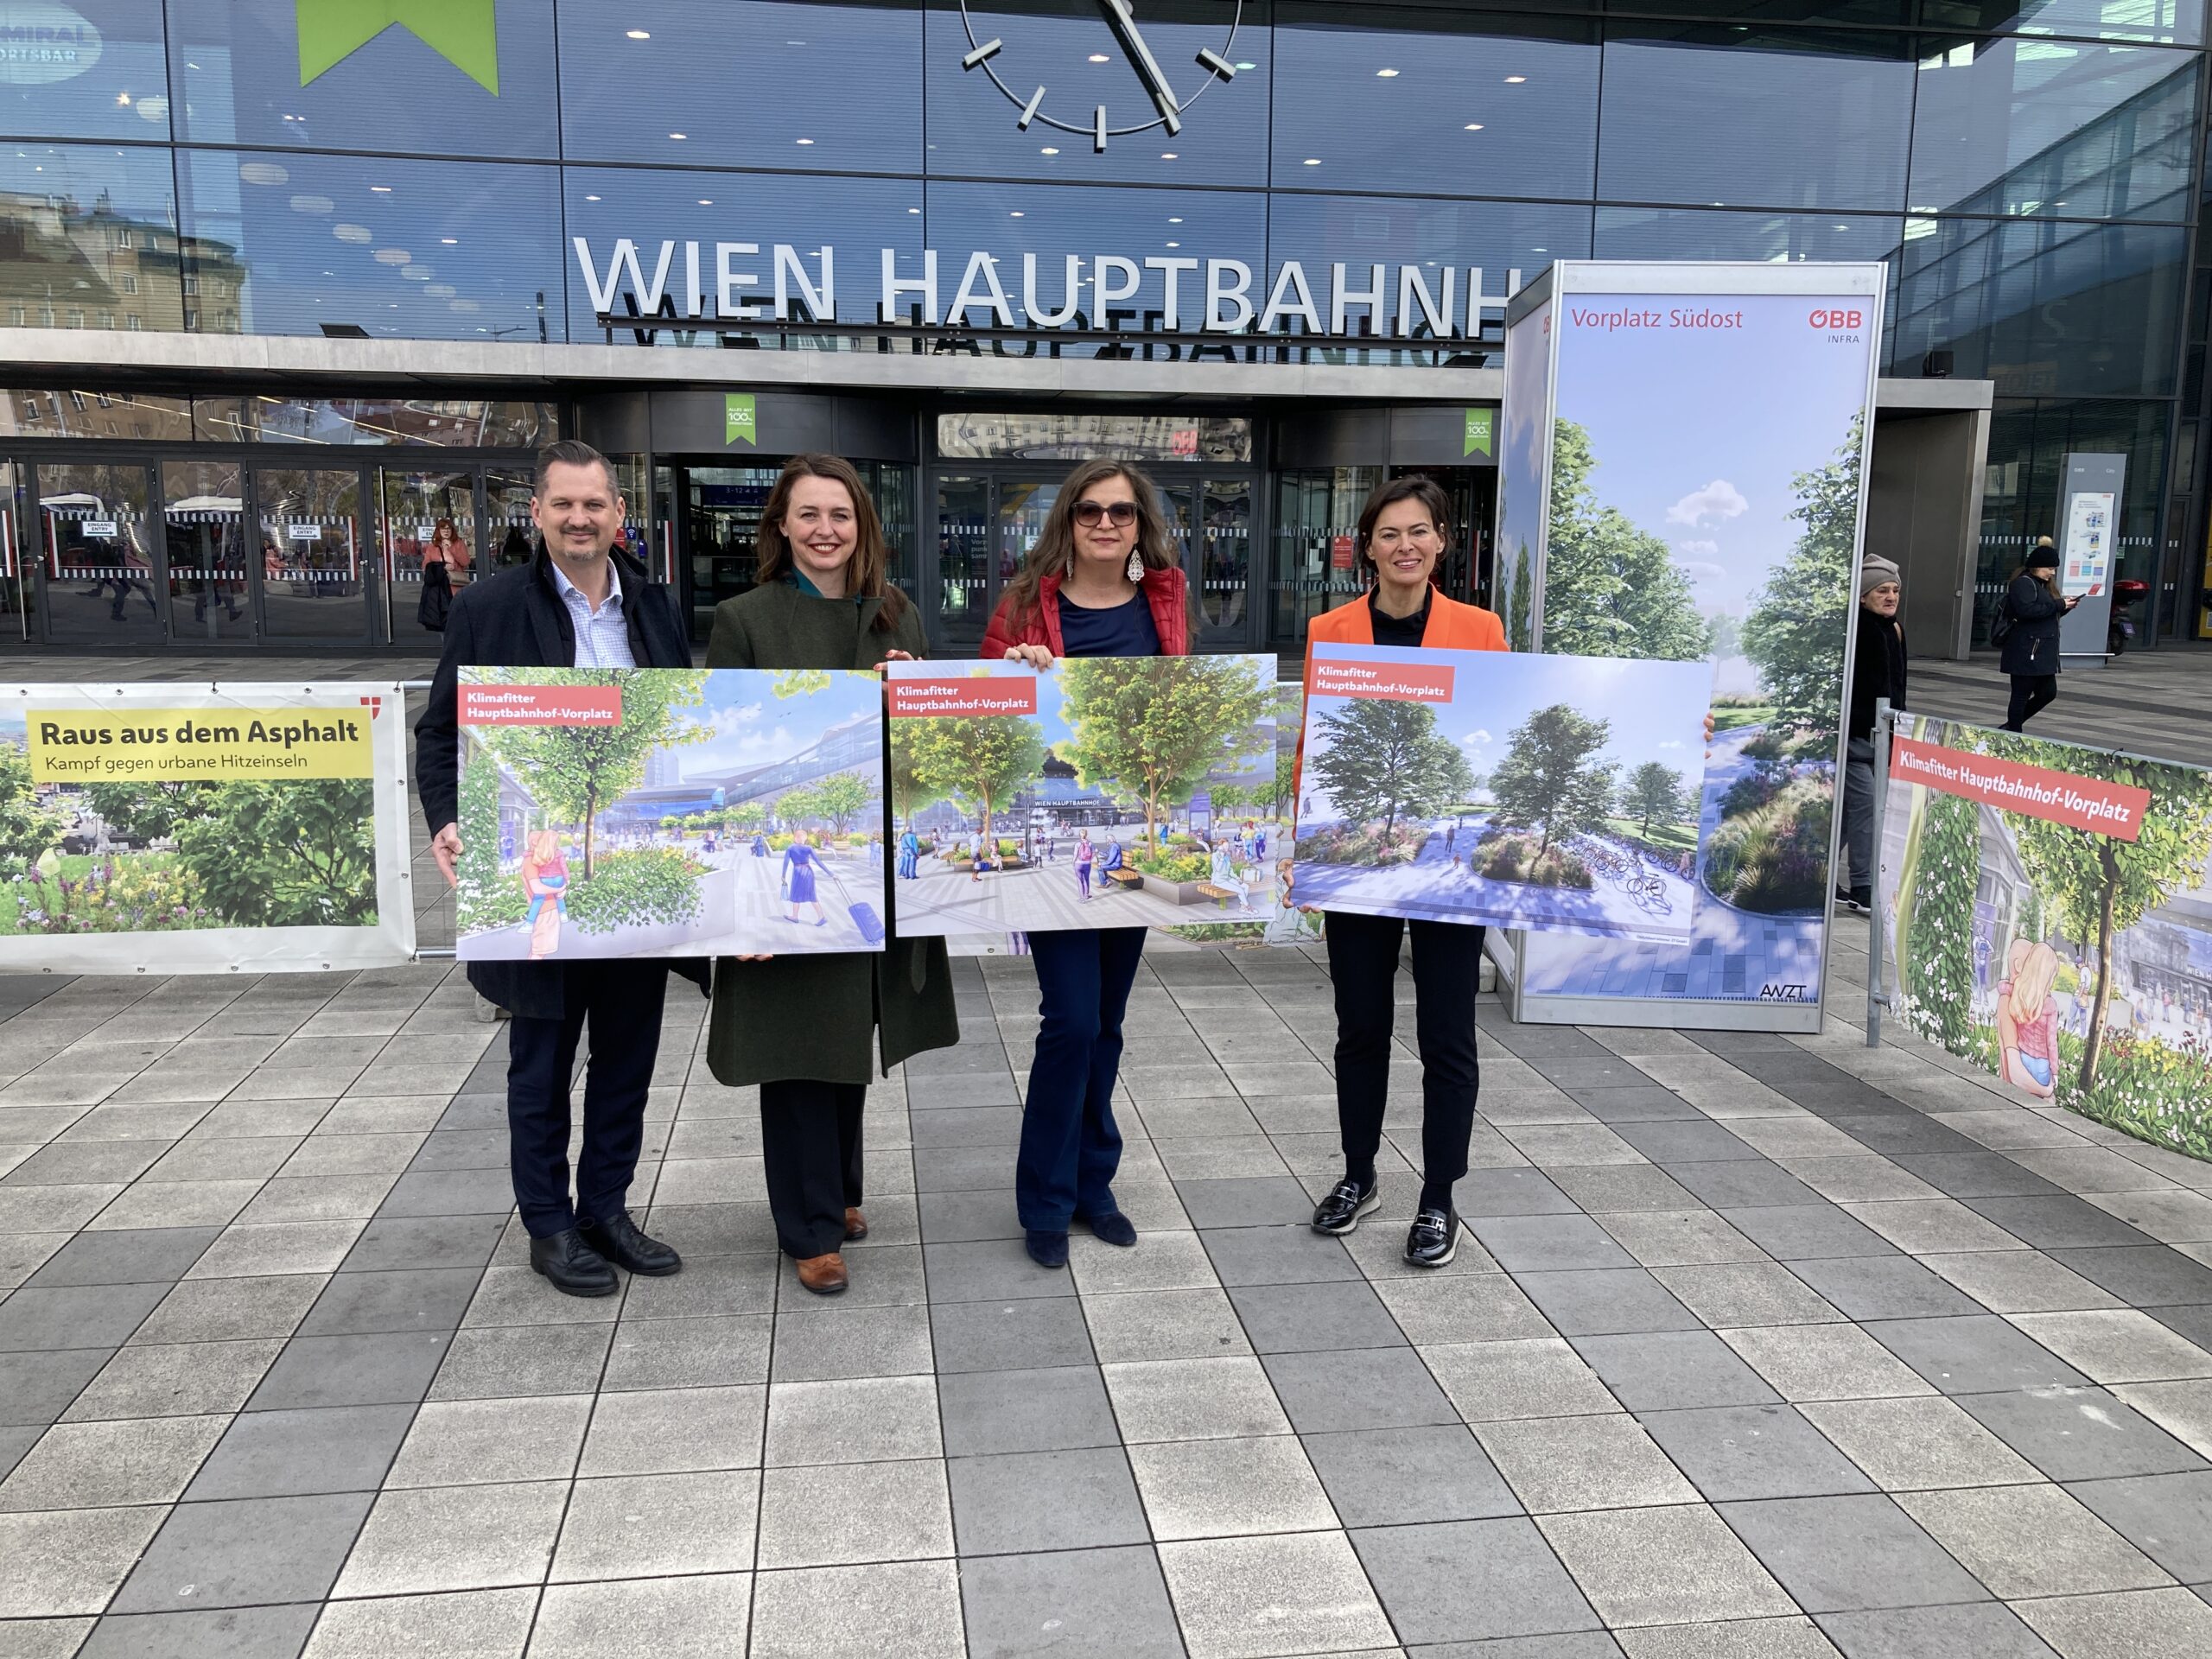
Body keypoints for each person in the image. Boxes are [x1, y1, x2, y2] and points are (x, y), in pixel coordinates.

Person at [416, 441, 696, 1298]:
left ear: (620, 516)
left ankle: (604, 1211)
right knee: (539, 1065)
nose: (581, 519)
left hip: (625, 876)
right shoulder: (490, 607)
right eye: (564, 505)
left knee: (626, 1061)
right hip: (534, 875)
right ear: (536, 514)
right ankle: (548, 1225)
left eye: (596, 505)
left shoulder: (654, 609)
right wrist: (448, 819)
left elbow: (681, 732)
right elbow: (440, 732)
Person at [703, 454, 958, 1297]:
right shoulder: (744, 620)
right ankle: (807, 1227)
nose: (824, 530)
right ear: (781, 525)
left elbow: (924, 747)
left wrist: (923, 701)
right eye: (807, 515)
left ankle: (838, 1192)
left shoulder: (897, 612)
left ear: (862, 527)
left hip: (874, 868)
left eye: (840, 516)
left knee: (848, 1034)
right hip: (789, 861)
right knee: (797, 1043)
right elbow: (731, 746)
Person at [982, 456, 1197, 1268]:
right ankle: (1043, 1199)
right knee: (1069, 1021)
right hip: (1058, 843)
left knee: (1105, 1025)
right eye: (1089, 512)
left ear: (1141, 526)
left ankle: (1092, 1186)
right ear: (1066, 523)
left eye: (1122, 512)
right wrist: (1016, 671)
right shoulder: (1022, 608)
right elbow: (994, 709)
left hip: (1130, 842)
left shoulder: (1163, 604)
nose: (1106, 524)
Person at [1300, 476, 1506, 1268]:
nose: (1406, 546)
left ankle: (1439, 1195)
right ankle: (1358, 1175)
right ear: (1367, 547)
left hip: (1447, 863)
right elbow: (1313, 750)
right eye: (1390, 534)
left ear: (1443, 541)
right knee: (1361, 1028)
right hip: (1356, 862)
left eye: (1420, 531)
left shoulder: (1479, 629)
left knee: (1447, 1032)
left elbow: (1506, 718)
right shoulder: (1332, 629)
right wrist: (1308, 853)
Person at [1840, 556, 1908, 914]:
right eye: (1882, 590)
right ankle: (1862, 886)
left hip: (1882, 736)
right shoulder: (1853, 629)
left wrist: (1900, 727)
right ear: (1864, 596)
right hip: (1851, 735)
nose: (1891, 596)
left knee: (1854, 809)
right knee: (1865, 805)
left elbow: (1899, 685)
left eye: (1895, 590)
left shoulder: (1894, 629)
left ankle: (1816, 872)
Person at [1999, 537, 2077, 732]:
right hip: (2026, 649)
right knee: (2020, 694)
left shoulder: (2043, 585)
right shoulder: (2023, 584)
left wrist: (2065, 607)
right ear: (2037, 566)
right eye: (2049, 568)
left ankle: (2012, 725)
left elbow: (2045, 611)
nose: (2052, 572)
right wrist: (2059, 605)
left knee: (2048, 693)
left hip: (2043, 650)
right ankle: (2014, 731)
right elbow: (2027, 611)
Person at [1996, 938, 2061, 1099]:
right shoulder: (2006, 1002)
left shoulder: (2016, 999)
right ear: (2018, 966)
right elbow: (2016, 1073)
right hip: (2032, 1079)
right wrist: (2047, 1090)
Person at [782, 828, 829, 927]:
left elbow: (786, 862)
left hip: (798, 872)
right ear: (805, 838)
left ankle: (795, 916)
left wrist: (783, 875)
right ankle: (821, 916)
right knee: (811, 895)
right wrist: (830, 874)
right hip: (808, 872)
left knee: (796, 894)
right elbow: (818, 862)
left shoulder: (790, 848)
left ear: (795, 838)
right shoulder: (808, 848)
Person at [1075, 830, 1095, 901]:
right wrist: (1090, 859)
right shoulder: (1090, 843)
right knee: (1086, 879)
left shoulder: (1077, 844)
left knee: (1080, 881)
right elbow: (1095, 852)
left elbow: (1075, 855)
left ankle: (1082, 898)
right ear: (1086, 834)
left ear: (1079, 835)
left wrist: (1073, 862)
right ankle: (1086, 895)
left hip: (1079, 864)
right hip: (1087, 864)